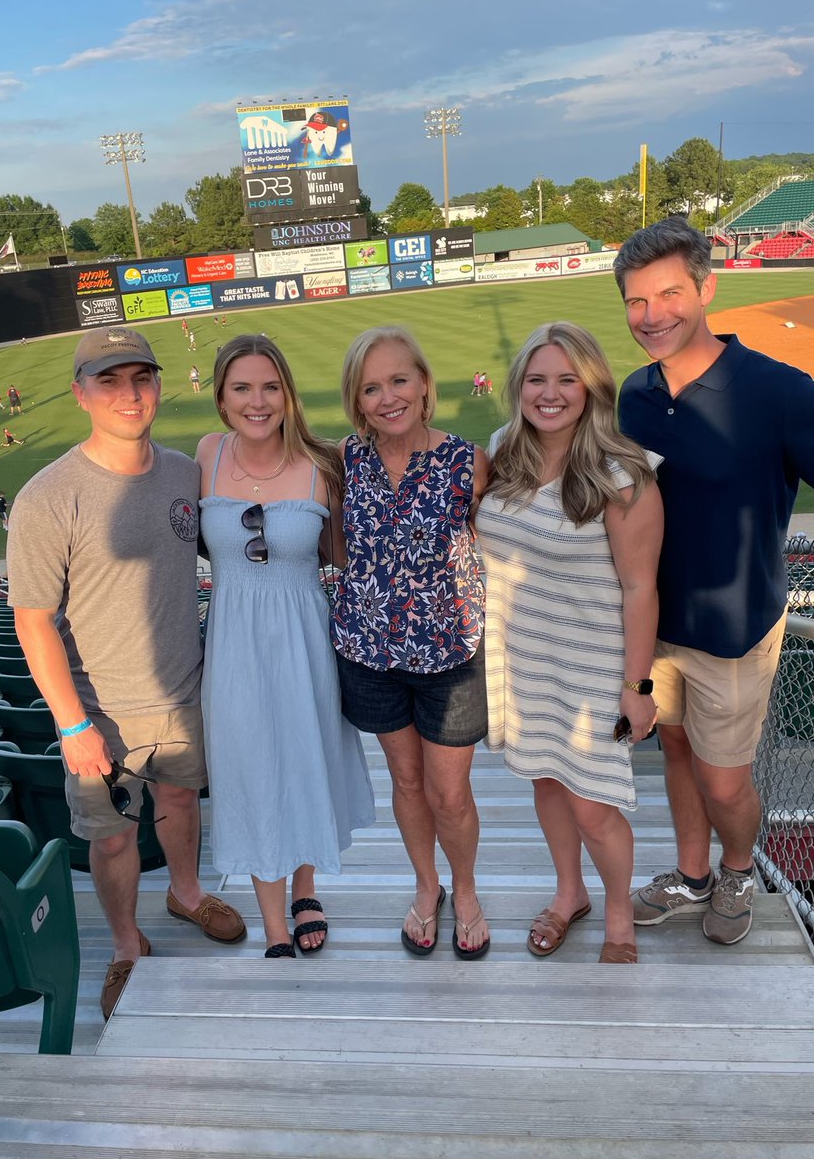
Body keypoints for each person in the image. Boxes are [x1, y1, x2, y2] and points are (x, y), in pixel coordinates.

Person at [7, 324, 246, 1019]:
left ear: (159, 386)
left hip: (181, 692)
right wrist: (73, 724)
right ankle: (124, 946)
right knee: (112, 839)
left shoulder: (182, 474)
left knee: (179, 807)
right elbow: (32, 621)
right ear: (81, 393)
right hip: (98, 713)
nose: (128, 393)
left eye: (140, 377)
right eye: (108, 380)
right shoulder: (47, 497)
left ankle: (187, 893)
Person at [615, 217, 814, 945]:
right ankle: (692, 873)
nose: (651, 316)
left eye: (668, 294)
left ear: (706, 288)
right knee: (673, 750)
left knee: (724, 779)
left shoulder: (781, 391)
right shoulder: (634, 397)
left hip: (735, 630)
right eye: (635, 302)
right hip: (654, 624)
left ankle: (737, 871)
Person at [477, 322, 663, 964]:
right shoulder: (504, 451)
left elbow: (641, 589)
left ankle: (618, 914)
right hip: (523, 662)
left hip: (590, 668)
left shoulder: (623, 475)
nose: (550, 393)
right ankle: (568, 893)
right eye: (537, 379)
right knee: (546, 783)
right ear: (519, 387)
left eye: (566, 380)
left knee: (594, 805)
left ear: (592, 389)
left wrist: (638, 689)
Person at [196, 334, 374, 957]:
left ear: (288, 393)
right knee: (250, 769)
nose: (258, 401)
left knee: (305, 758)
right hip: (234, 646)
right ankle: (273, 922)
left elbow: (353, 556)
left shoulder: (327, 464)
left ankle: (305, 888)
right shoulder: (206, 455)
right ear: (221, 396)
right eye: (242, 387)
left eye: (270, 386)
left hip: (305, 642)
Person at [332, 326, 491, 960]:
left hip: (450, 657)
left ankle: (467, 890)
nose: (387, 397)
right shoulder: (346, 458)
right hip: (370, 655)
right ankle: (427, 888)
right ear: (357, 399)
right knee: (405, 781)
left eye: (399, 380)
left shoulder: (468, 461)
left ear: (425, 383)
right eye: (371, 387)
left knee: (449, 791)